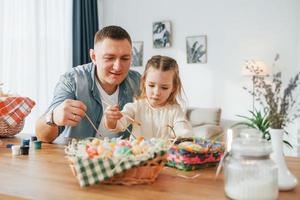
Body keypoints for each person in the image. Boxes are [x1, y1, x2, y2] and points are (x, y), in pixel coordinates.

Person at [35, 25, 141, 143]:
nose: (118, 67)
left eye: (125, 58)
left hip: (123, 157)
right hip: (78, 158)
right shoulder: (72, 80)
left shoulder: (137, 81)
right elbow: (42, 136)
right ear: (94, 57)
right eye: (109, 58)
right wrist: (53, 118)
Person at [103, 55, 193, 139]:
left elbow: (182, 128)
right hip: (138, 154)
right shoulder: (136, 107)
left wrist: (182, 134)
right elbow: (118, 125)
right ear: (144, 82)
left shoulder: (175, 110)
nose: (156, 92)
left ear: (174, 87)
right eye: (151, 85)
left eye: (164, 87)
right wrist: (111, 119)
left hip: (163, 155)